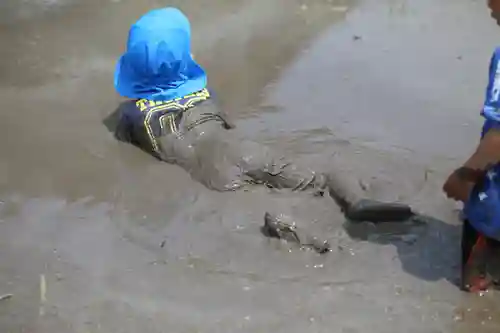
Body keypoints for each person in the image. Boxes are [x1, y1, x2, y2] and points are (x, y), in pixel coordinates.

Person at [111, 7, 414, 249]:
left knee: (252, 203)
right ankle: (356, 201)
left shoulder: (132, 117)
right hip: (244, 151)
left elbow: (138, 142)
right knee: (319, 176)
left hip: (211, 173)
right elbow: (224, 123)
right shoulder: (205, 94)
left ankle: (296, 230)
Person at [443, 0, 500, 292]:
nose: (487, 4)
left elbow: (499, 136)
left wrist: (465, 179)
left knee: (473, 288)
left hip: (493, 208)